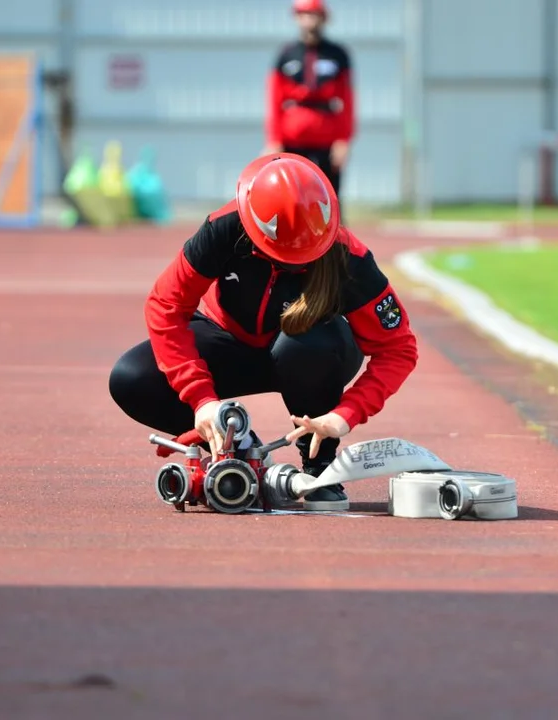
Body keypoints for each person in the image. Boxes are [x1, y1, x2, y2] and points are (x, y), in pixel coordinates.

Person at [108, 152, 418, 511]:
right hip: (226, 341)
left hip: (308, 353)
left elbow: (398, 348)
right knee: (131, 378)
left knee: (307, 347)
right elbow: (166, 304)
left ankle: (320, 469)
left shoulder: (350, 258)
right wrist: (201, 400)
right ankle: (233, 446)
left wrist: (344, 415)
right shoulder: (224, 229)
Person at [263, 0, 355, 200]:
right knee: (290, 200)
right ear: (296, 18)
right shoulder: (286, 55)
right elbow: (274, 100)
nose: (309, 21)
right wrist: (274, 140)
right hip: (292, 141)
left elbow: (348, 101)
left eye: (314, 15)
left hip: (326, 142)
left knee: (328, 200)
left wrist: (344, 140)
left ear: (323, 18)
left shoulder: (338, 55)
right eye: (304, 15)